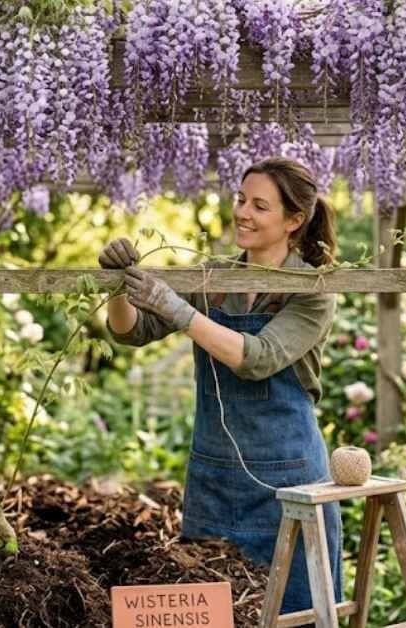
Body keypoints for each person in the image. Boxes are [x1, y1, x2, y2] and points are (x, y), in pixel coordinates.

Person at [100, 156, 343, 615]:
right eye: (239, 199)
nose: (242, 213)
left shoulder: (311, 290)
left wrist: (180, 311)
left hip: (288, 482)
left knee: (293, 613)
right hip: (213, 475)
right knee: (213, 613)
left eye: (259, 206)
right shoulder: (212, 276)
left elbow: (257, 357)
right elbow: (131, 332)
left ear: (295, 220)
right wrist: (119, 287)